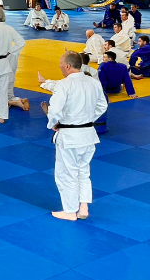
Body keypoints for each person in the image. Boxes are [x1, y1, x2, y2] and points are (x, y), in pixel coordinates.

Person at [40, 51, 107, 221]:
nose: (60, 68)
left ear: (68, 66)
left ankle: (70, 211)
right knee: (83, 171)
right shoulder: (93, 82)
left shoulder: (64, 84)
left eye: (61, 65)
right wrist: (87, 119)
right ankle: (83, 207)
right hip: (88, 134)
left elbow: (54, 110)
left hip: (70, 136)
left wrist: (53, 124)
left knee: (66, 174)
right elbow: (102, 105)